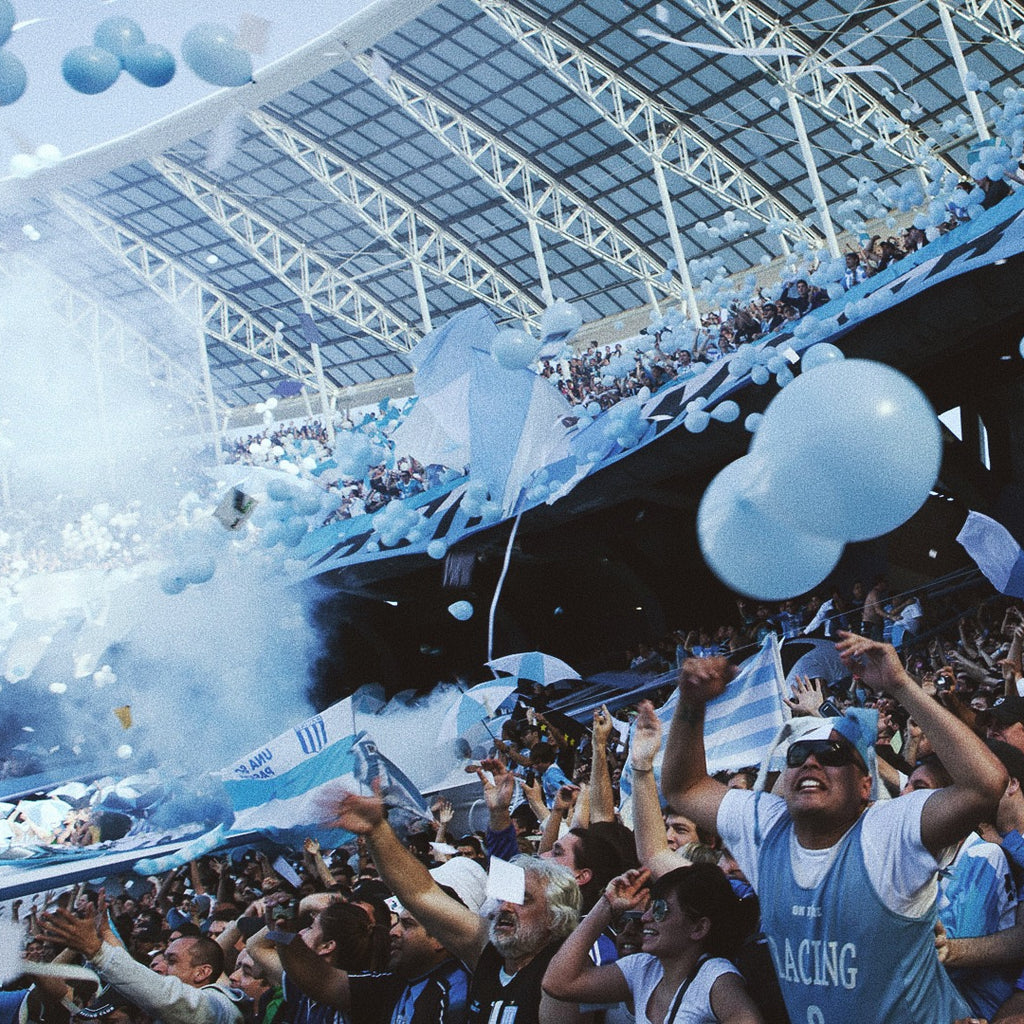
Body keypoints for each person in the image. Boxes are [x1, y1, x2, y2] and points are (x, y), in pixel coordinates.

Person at [659, 634, 1008, 1023]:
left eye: (832, 754)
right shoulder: (766, 824)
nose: (811, 761)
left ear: (865, 787)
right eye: (798, 754)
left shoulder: (887, 829)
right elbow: (683, 787)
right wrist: (691, 703)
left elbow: (985, 785)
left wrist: (899, 684)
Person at [323, 788, 586, 1024]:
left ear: (556, 918)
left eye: (522, 900)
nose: (505, 906)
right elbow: (421, 892)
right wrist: (377, 829)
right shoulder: (488, 952)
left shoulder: (563, 977)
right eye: (504, 896)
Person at [543, 865, 763, 1022]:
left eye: (660, 910)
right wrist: (607, 905)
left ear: (698, 928)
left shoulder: (716, 978)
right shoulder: (643, 968)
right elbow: (558, 983)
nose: (645, 918)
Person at [39, 903, 243, 1024]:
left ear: (201, 973)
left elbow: (165, 995)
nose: (160, 967)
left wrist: (97, 952)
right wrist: (107, 935)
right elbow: (144, 983)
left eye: (171, 961)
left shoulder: (219, 1007)